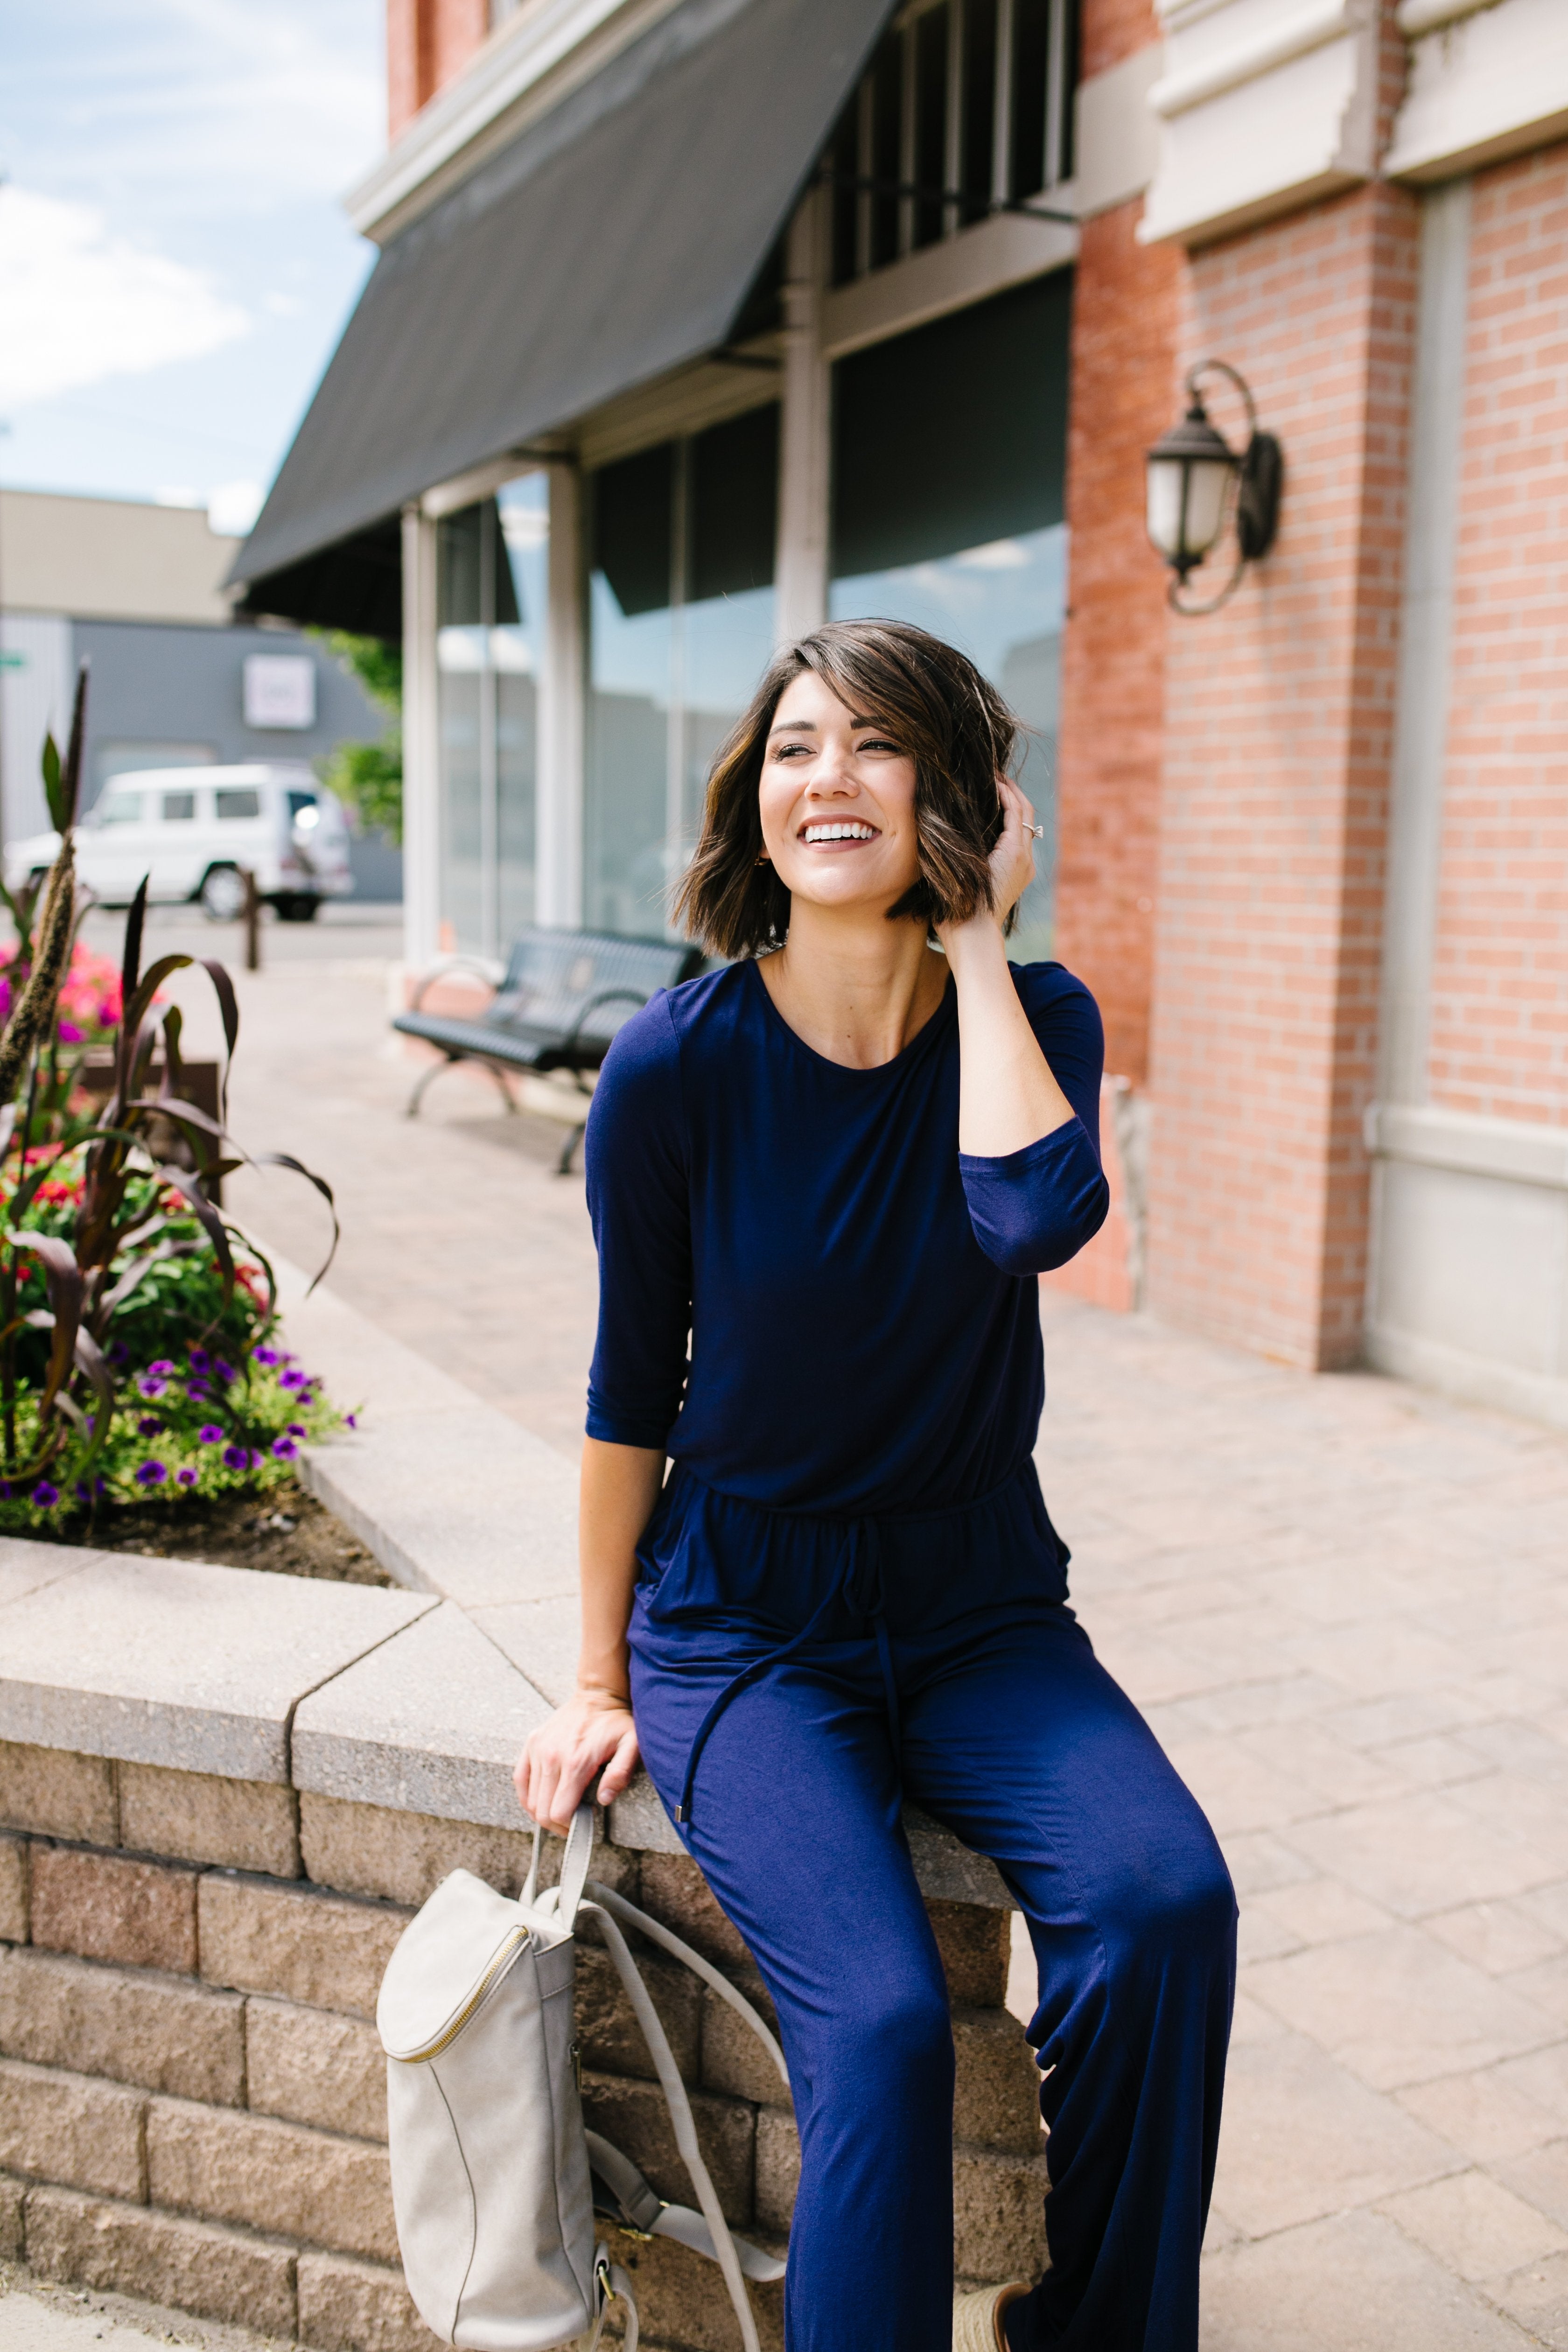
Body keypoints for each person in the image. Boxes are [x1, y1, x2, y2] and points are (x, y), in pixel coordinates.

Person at [515, 620, 1236, 2352]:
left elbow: (1032, 1219)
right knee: (887, 2026)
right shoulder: (675, 1066)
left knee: (1166, 1908)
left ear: (958, 794)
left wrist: (979, 936)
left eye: (875, 744)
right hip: (745, 1628)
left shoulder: (1037, 1020)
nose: (827, 777)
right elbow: (627, 1396)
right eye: (794, 747)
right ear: (753, 800)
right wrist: (598, 1675)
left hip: (984, 1612)